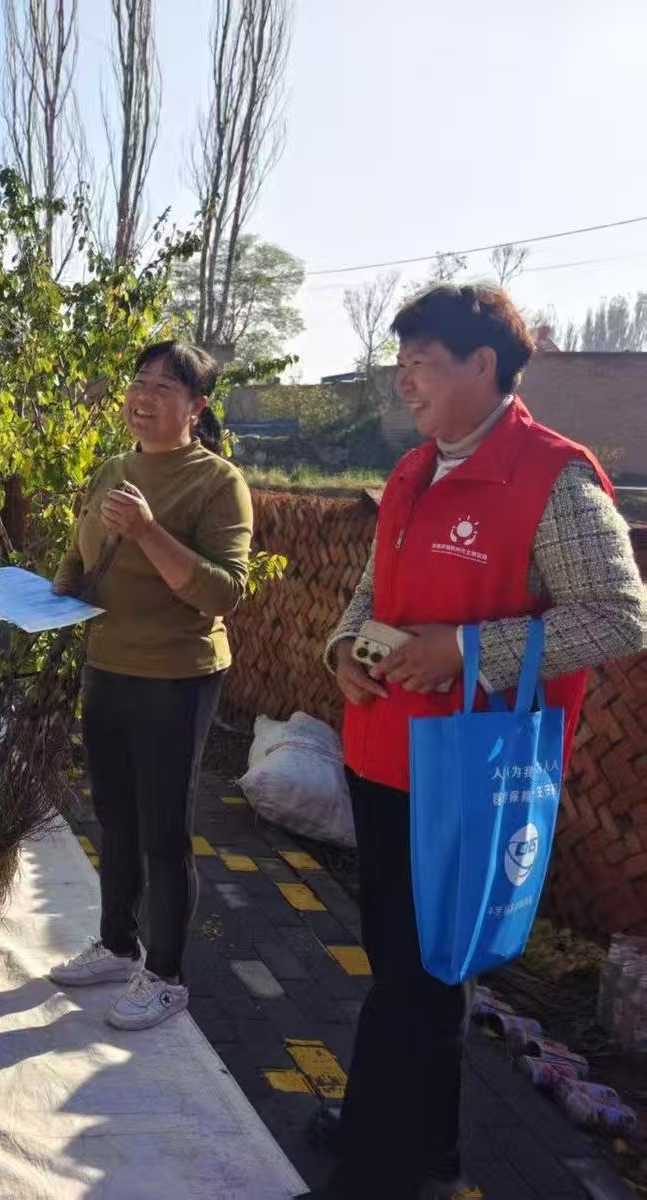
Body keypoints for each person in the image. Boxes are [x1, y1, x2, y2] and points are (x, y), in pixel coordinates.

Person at [302, 286, 646, 1200]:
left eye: (421, 363)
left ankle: (377, 1171)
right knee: (410, 969)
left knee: (418, 979)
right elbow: (372, 591)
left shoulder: (552, 476)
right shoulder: (415, 471)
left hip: (467, 773)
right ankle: (418, 1146)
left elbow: (621, 616)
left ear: (483, 364)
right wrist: (344, 648)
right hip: (384, 757)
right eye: (401, 364)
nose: (404, 381)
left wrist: (465, 650)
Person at [47, 340, 254, 1031]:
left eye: (164, 388)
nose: (143, 397)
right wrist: (60, 590)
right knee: (114, 816)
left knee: (164, 831)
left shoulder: (217, 482)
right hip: (107, 665)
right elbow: (80, 548)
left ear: (196, 407)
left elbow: (223, 593)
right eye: (139, 382)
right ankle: (116, 944)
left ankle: (165, 976)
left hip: (177, 676)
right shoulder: (113, 468)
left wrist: (148, 530)